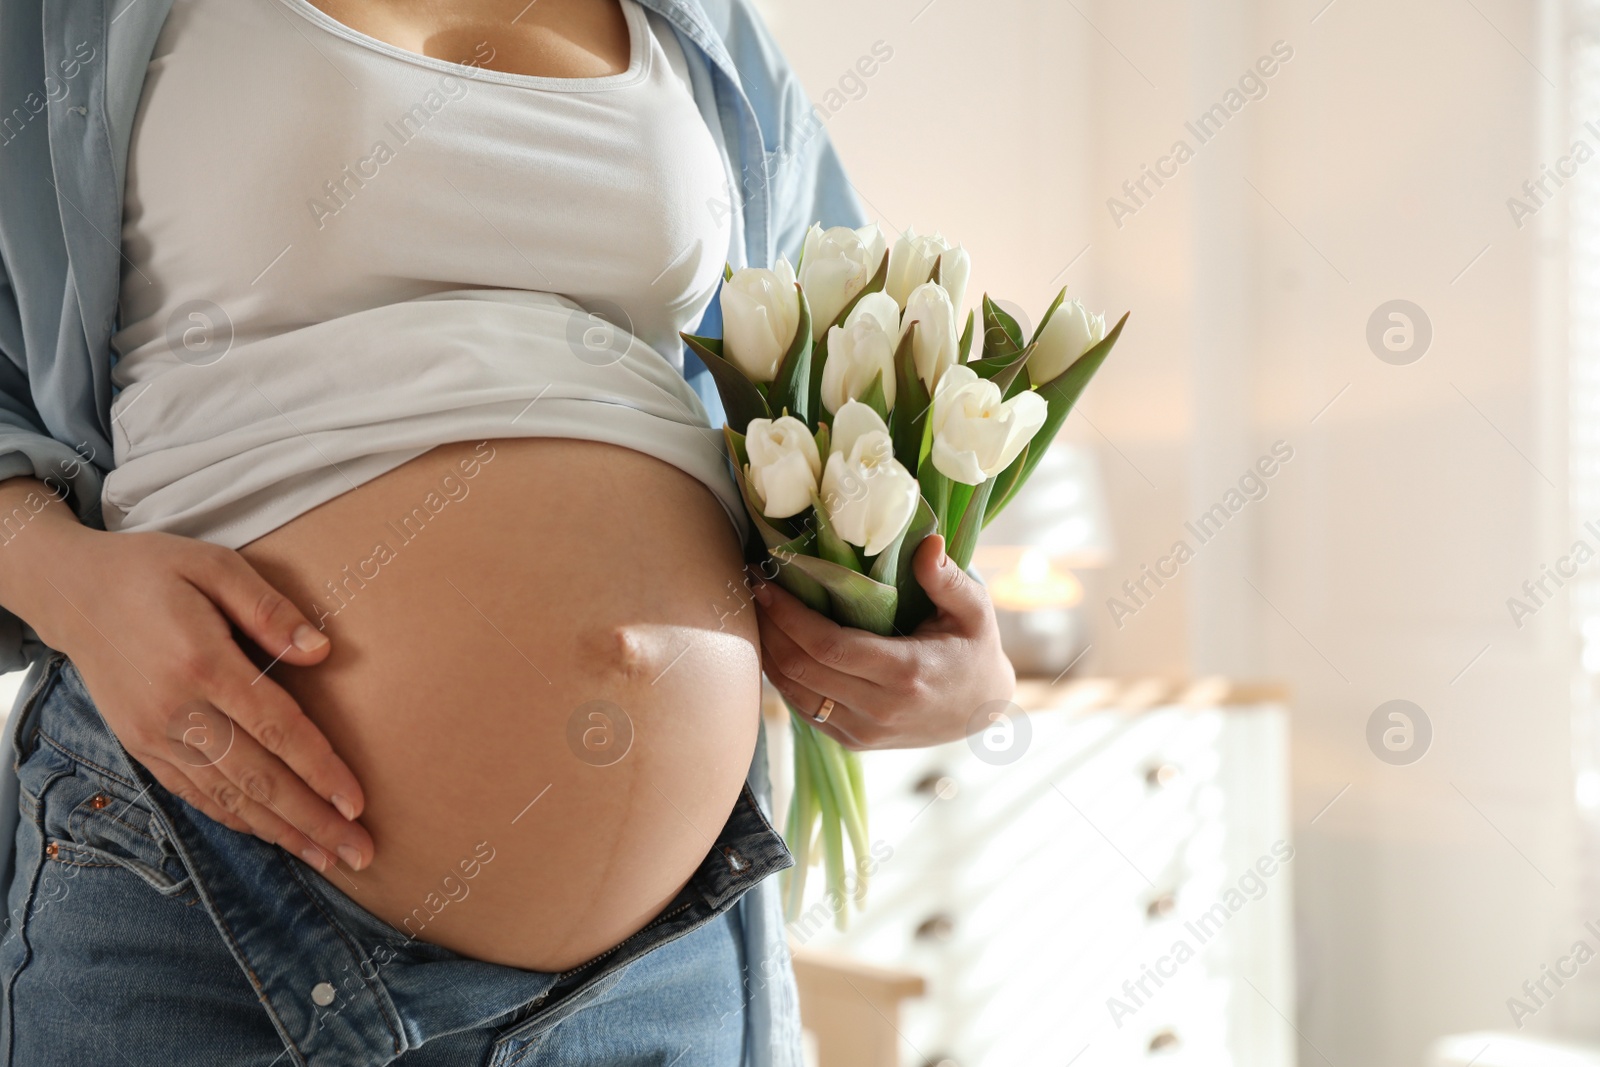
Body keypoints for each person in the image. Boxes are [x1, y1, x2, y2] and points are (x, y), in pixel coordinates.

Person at [0, 0, 1016, 1063]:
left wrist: (948, 655)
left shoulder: (704, 28)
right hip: (212, 887)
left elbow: (852, 365)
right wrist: (65, 580)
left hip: (663, 961)